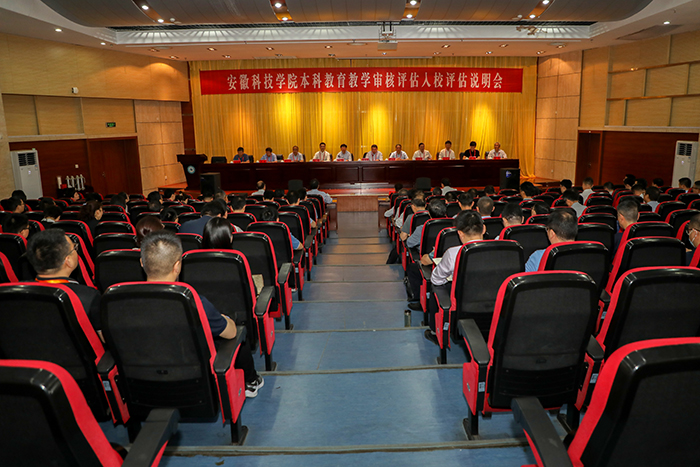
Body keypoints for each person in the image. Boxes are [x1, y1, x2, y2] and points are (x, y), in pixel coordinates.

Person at [140, 231, 263, 397]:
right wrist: (225, 319)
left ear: (142, 262)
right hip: (193, 386)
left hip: (143, 386)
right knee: (238, 332)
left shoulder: (119, 302)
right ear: (177, 266)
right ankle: (250, 382)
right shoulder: (194, 302)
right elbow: (231, 332)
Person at [421, 211, 485, 344]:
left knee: (437, 289)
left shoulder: (453, 253)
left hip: (464, 305)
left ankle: (435, 332)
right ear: (484, 229)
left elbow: (436, 279)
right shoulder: (503, 250)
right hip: (495, 305)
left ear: (460, 233)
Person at [27, 229, 101, 336]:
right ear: (68, 260)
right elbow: (104, 338)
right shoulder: (89, 297)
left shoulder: (14, 294)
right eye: (74, 248)